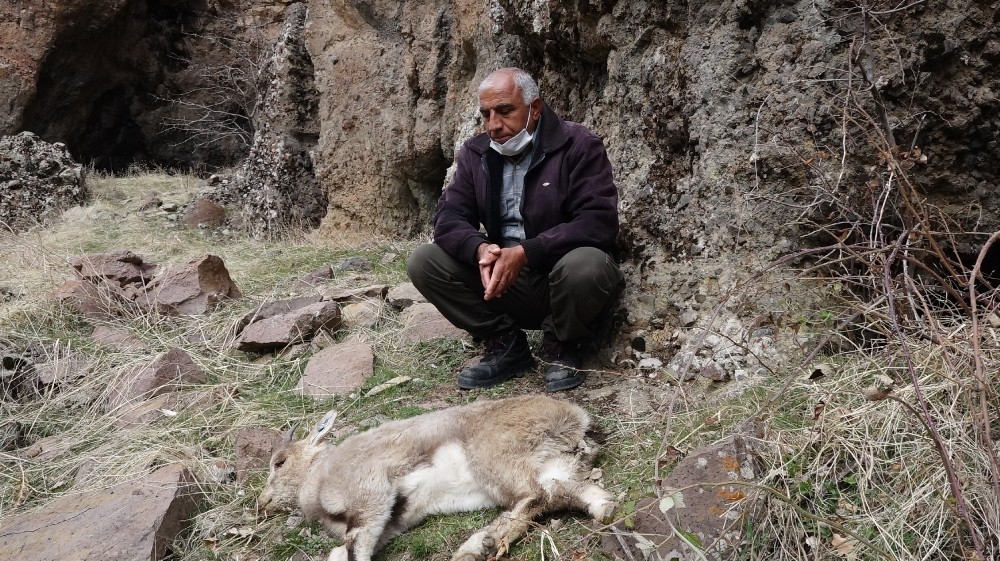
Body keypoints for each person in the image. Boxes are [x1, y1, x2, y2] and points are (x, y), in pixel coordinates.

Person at [407, 67, 623, 392]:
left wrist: (526, 252)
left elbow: (598, 222)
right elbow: (449, 217)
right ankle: (505, 344)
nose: (494, 125)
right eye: (486, 114)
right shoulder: (476, 153)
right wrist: (481, 249)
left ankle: (563, 344)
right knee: (424, 261)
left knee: (587, 266)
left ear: (534, 108)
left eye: (505, 111)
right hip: (504, 282)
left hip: (559, 281)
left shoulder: (578, 144)